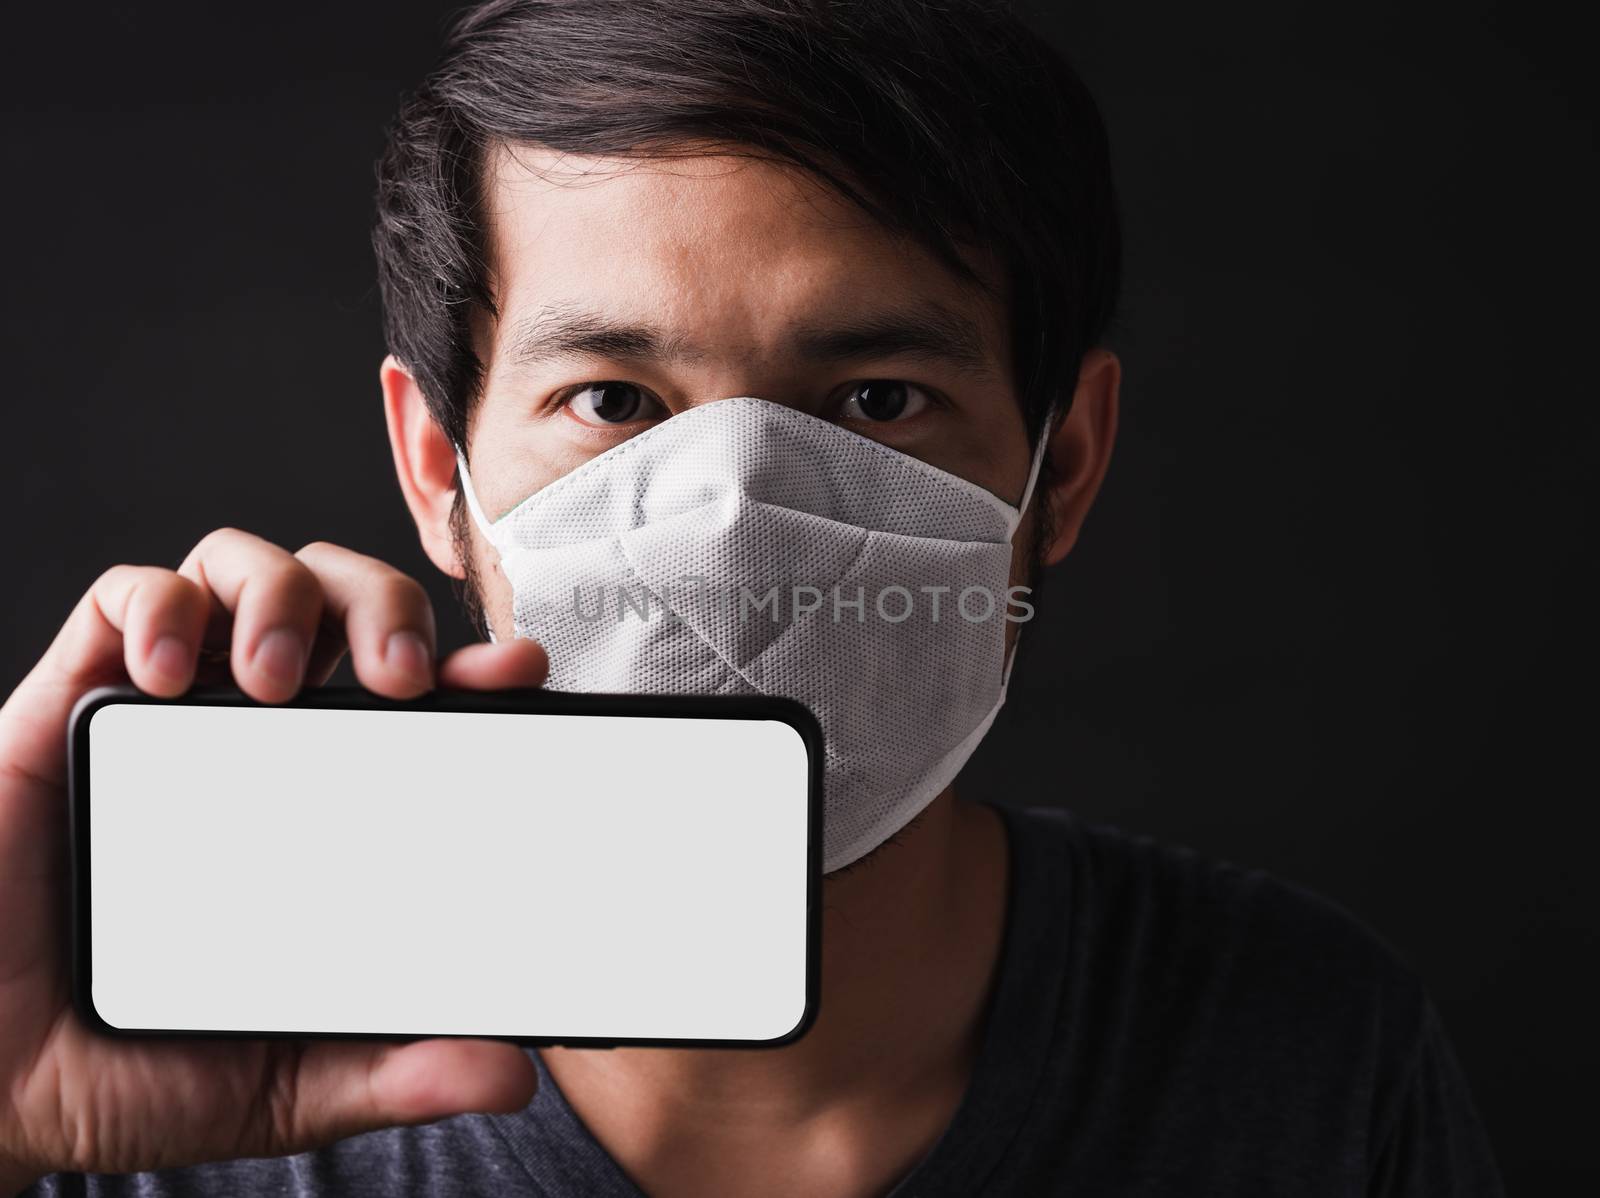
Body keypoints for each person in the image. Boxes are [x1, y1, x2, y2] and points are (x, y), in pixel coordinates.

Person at [1, 1, 1504, 1194]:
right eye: (611, 397)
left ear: (1067, 462)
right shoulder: (164, 1062)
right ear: (433, 463)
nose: (732, 520)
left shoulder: (1304, 1050)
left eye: (876, 396)